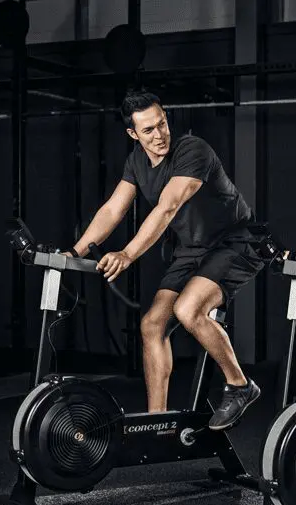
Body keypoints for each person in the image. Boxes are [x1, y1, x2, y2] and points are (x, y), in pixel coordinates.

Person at [66, 90, 264, 430]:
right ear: (132, 134)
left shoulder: (192, 150)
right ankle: (156, 424)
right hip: (192, 250)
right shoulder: (136, 162)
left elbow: (168, 206)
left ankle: (240, 385)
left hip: (235, 242)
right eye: (148, 130)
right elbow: (114, 208)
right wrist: (75, 252)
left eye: (162, 124)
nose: (159, 135)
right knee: (152, 324)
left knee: (189, 310)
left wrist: (127, 253)